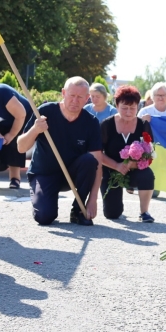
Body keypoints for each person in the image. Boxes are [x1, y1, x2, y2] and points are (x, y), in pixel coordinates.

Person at [18, 77, 103, 226]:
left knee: (89, 161)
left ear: (87, 99)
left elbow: (98, 162)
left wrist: (93, 199)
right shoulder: (45, 112)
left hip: (72, 174)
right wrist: (35, 130)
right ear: (63, 93)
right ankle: (46, 200)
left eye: (80, 97)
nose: (75, 101)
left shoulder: (91, 122)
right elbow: (21, 147)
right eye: (72, 95)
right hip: (44, 172)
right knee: (44, 217)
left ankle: (78, 210)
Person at [99, 85, 156, 222]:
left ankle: (144, 212)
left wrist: (135, 164)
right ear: (117, 105)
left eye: (133, 108)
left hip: (135, 169)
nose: (129, 112)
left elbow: (151, 152)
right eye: (124, 107)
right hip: (111, 170)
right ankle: (116, 203)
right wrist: (117, 165)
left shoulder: (143, 125)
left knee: (147, 174)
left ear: (138, 107)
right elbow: (97, 153)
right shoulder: (106, 125)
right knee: (112, 214)